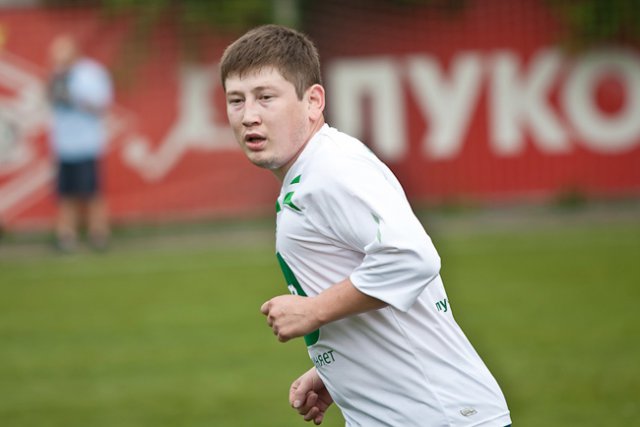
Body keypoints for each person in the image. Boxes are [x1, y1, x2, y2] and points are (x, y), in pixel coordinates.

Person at [220, 25, 512, 426]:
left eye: (266, 97)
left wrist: (313, 311)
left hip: (437, 416)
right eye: (236, 100)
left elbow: (412, 258)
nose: (249, 115)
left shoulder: (332, 170)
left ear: (313, 101)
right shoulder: (314, 171)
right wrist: (338, 366)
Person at [47, 34, 113, 252]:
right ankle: (66, 236)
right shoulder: (56, 75)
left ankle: (99, 234)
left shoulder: (90, 73)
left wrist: (75, 98)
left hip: (86, 144)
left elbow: (101, 104)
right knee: (65, 195)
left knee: (91, 193)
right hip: (63, 145)